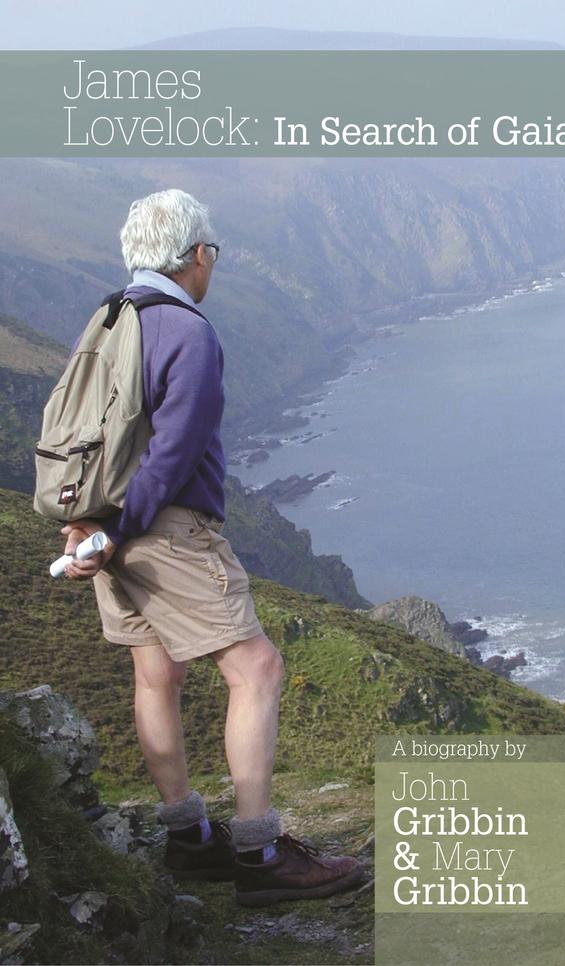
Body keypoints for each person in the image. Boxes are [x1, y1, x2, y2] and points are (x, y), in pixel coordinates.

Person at [61, 188, 364, 906]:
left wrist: (88, 524)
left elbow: (77, 432)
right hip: (160, 528)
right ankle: (260, 854)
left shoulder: (108, 318)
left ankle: (190, 838)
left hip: (103, 522)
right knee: (257, 668)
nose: (213, 265)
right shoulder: (186, 331)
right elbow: (174, 452)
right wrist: (122, 528)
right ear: (196, 254)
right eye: (212, 253)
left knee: (155, 671)